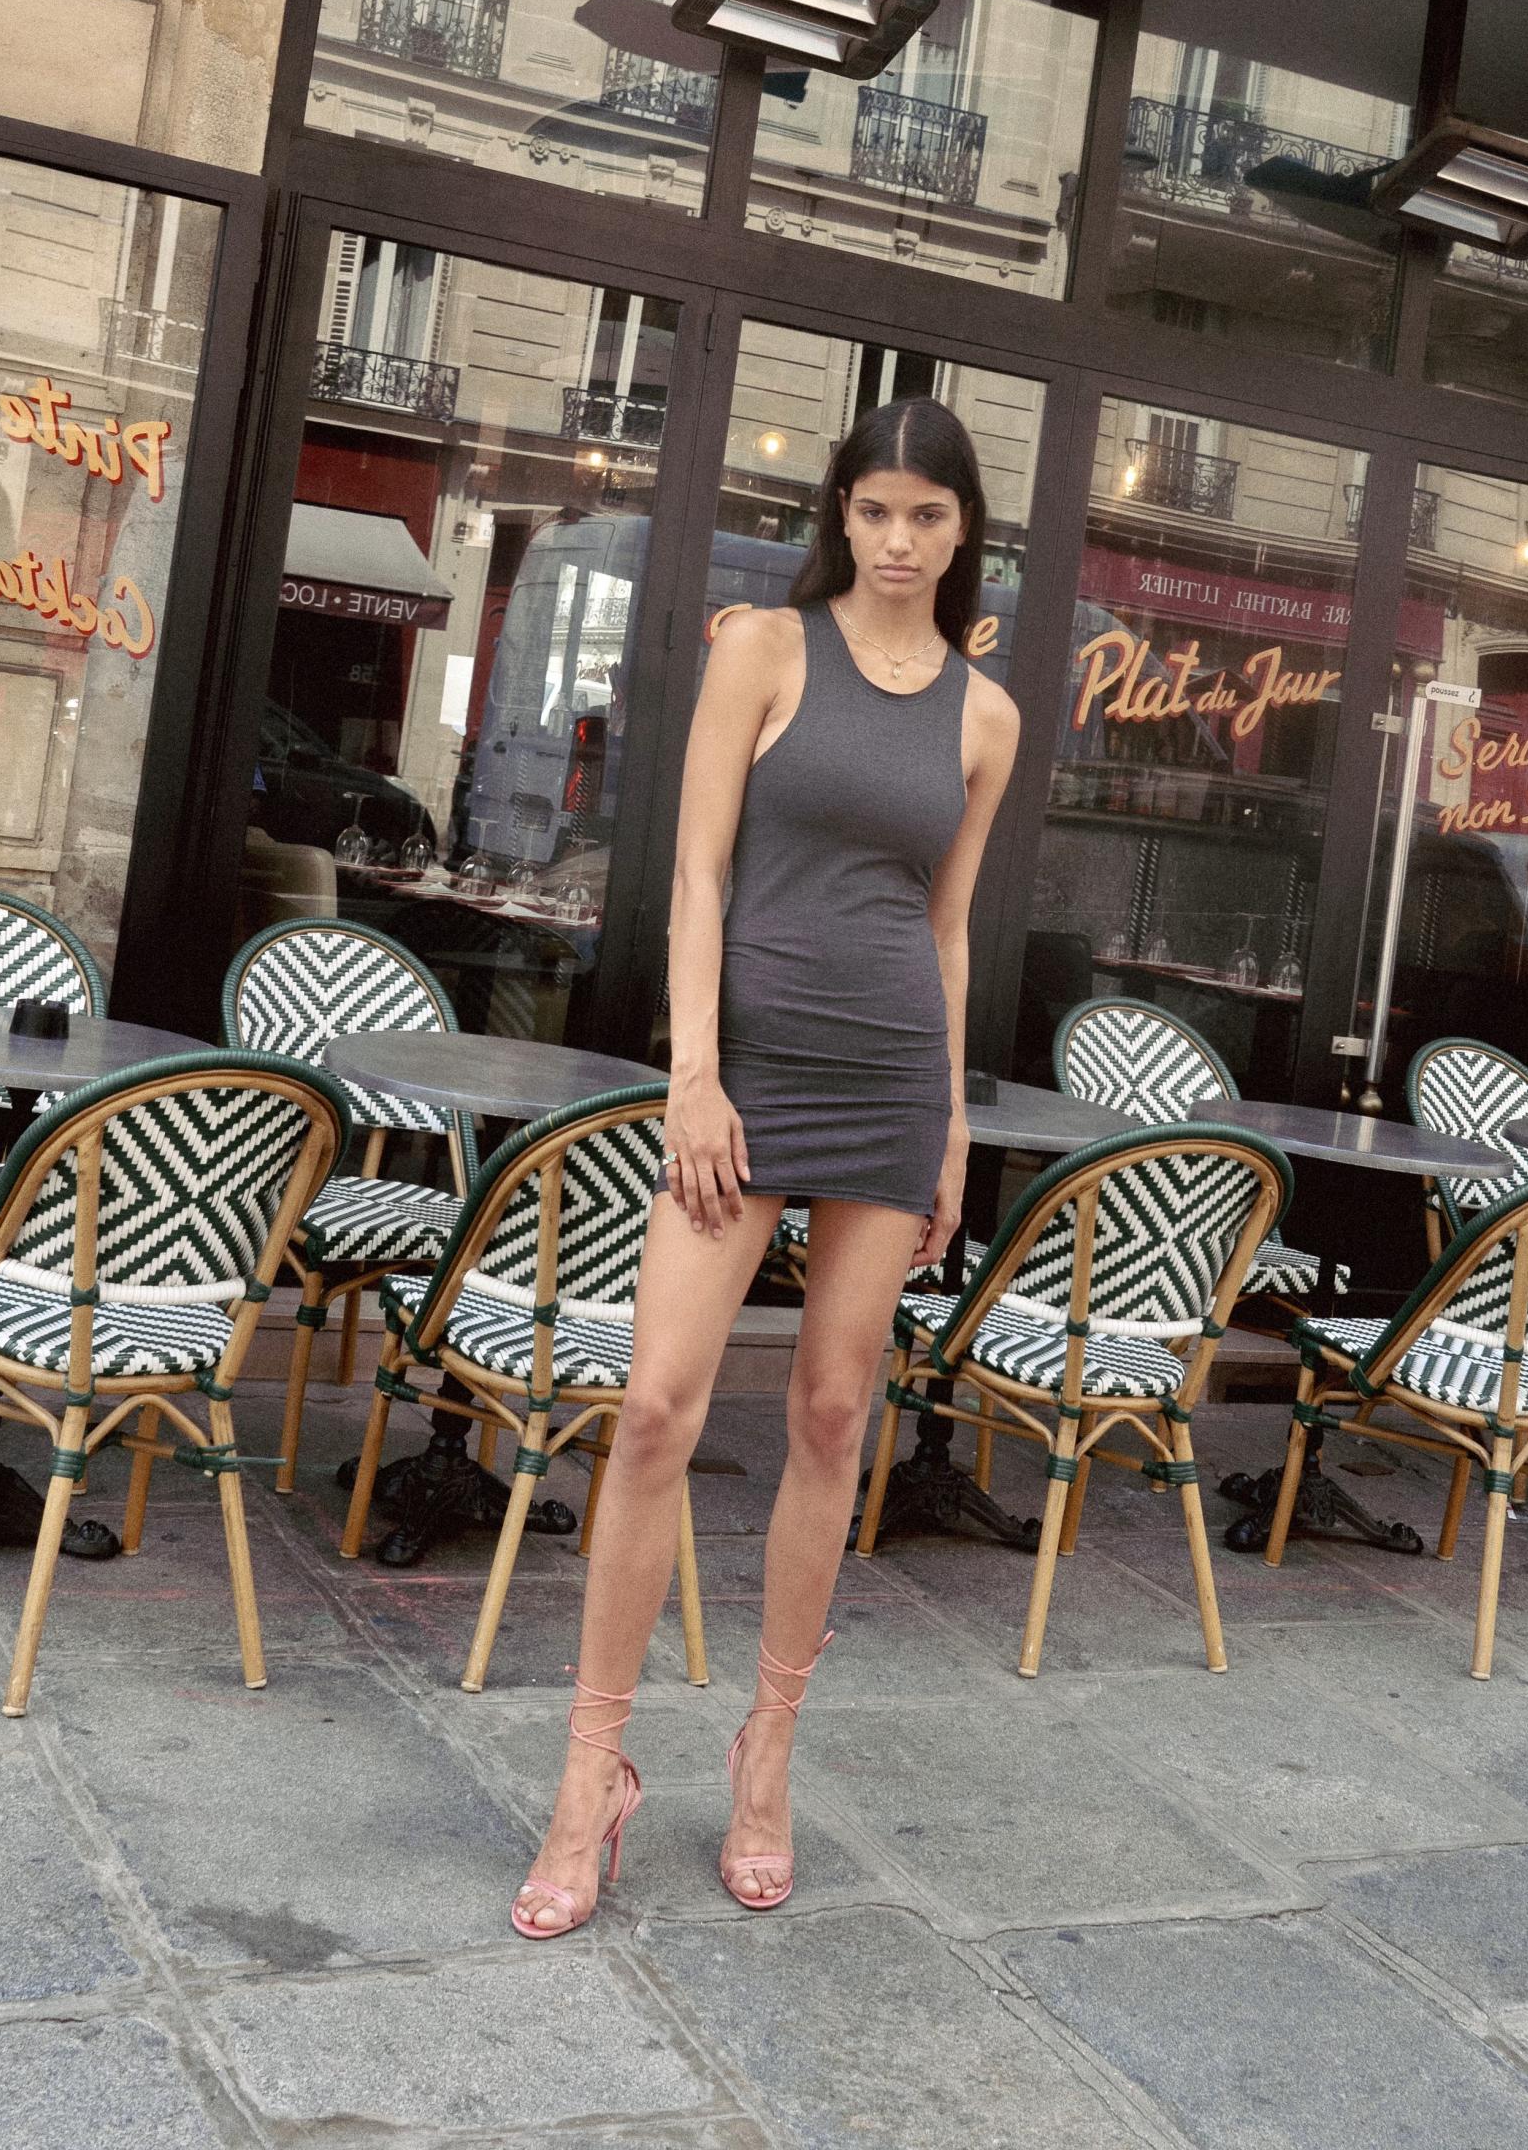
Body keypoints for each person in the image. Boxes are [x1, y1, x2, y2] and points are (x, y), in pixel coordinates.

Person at [510, 396, 1020, 1938]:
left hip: (890, 1080)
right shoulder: (765, 650)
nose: (897, 539)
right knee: (656, 1408)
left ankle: (767, 1751)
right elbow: (697, 873)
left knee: (831, 1411)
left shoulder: (986, 718)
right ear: (840, 513)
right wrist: (696, 1074)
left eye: (927, 515)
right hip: (746, 1077)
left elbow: (946, 930)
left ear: (962, 530)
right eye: (874, 508)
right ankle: (591, 1772)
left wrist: (949, 1126)